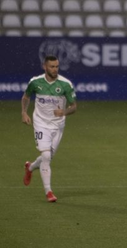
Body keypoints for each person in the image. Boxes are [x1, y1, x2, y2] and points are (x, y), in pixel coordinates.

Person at [21, 55, 77, 202]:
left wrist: (63, 112)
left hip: (58, 125)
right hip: (40, 123)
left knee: (48, 157)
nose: (55, 69)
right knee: (46, 156)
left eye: (57, 66)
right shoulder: (35, 82)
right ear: (44, 67)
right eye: (52, 66)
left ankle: (30, 167)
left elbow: (74, 107)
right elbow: (26, 97)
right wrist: (24, 112)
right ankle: (49, 192)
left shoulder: (65, 84)